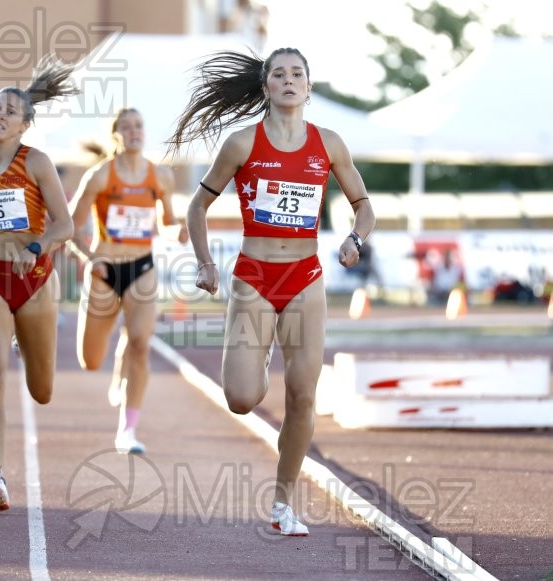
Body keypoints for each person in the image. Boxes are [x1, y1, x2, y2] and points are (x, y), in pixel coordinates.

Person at [168, 48, 375, 536]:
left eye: (296, 74)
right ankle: (255, 359)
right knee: (241, 398)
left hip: (305, 278)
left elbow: (364, 207)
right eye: (278, 74)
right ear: (265, 87)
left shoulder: (329, 144)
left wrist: (354, 239)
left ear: (308, 86)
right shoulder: (242, 143)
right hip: (254, 279)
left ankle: (283, 504)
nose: (288, 81)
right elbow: (196, 207)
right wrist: (203, 262)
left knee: (302, 397)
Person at [0, 54, 76, 512]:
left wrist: (38, 247)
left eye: (11, 111)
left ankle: (25, 342)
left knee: (42, 391)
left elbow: (65, 225)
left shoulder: (37, 163)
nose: (0, 115)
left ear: (25, 124)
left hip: (33, 278)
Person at [67, 108, 187, 455]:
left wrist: (176, 231)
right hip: (105, 271)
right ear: (115, 135)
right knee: (90, 360)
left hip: (141, 267)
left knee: (141, 343)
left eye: (139, 125)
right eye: (127, 127)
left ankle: (127, 431)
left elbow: (166, 221)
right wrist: (91, 260)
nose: (135, 131)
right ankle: (120, 348)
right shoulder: (101, 176)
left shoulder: (160, 177)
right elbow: (71, 227)